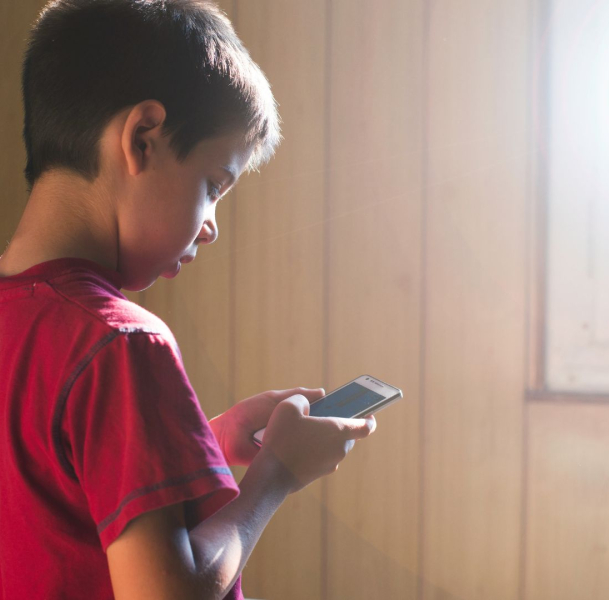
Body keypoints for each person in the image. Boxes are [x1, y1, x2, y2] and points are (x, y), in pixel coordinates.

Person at [0, 1, 377, 598]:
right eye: (213, 185)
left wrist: (202, 442)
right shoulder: (119, 343)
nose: (211, 227)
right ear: (143, 139)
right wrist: (276, 475)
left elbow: (48, 494)